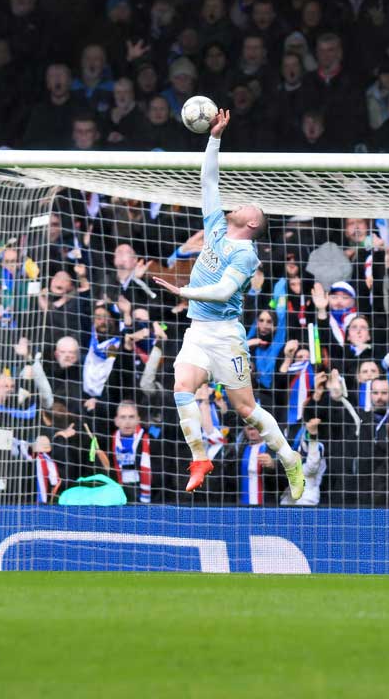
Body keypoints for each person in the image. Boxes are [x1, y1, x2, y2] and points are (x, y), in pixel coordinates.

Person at [153, 108, 305, 497]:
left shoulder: (246, 254)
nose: (242, 203)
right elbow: (208, 180)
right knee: (181, 386)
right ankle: (200, 458)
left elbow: (223, 291)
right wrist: (215, 137)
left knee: (246, 409)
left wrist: (183, 292)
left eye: (250, 206)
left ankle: (290, 458)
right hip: (198, 331)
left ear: (253, 223)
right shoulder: (217, 227)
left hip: (225, 336)